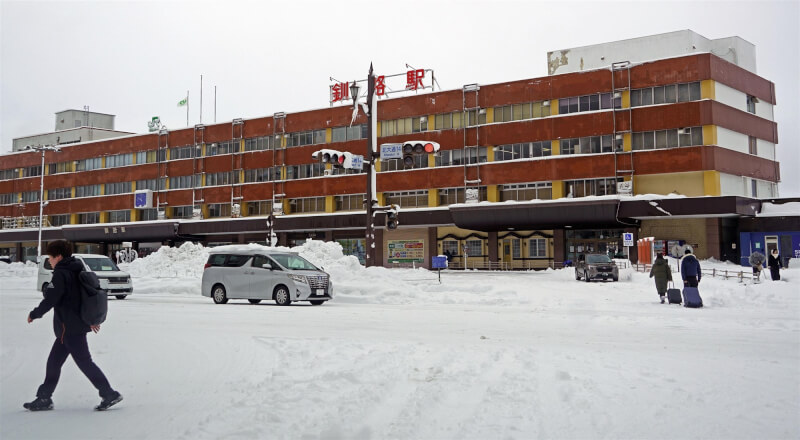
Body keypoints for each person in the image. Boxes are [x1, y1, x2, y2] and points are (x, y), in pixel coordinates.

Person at [24, 240, 122, 412]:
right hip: (73, 326)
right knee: (54, 362)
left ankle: (109, 393)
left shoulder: (61, 274)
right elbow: (84, 297)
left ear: (59, 256)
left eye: (51, 258)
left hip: (68, 328)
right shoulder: (77, 269)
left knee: (84, 362)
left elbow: (51, 299)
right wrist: (91, 319)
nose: (50, 261)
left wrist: (35, 314)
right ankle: (44, 397)